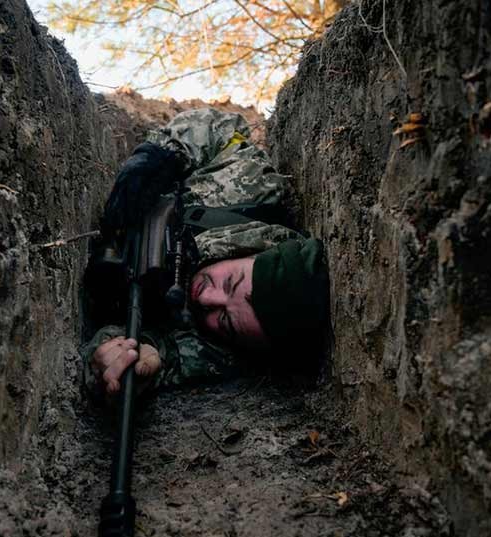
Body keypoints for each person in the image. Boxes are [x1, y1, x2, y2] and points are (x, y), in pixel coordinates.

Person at [81, 108, 330, 399]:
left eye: (225, 321)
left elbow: (161, 356)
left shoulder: (227, 352)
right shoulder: (255, 190)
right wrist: (161, 156)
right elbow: (224, 126)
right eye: (230, 282)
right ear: (254, 252)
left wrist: (119, 356)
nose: (206, 299)